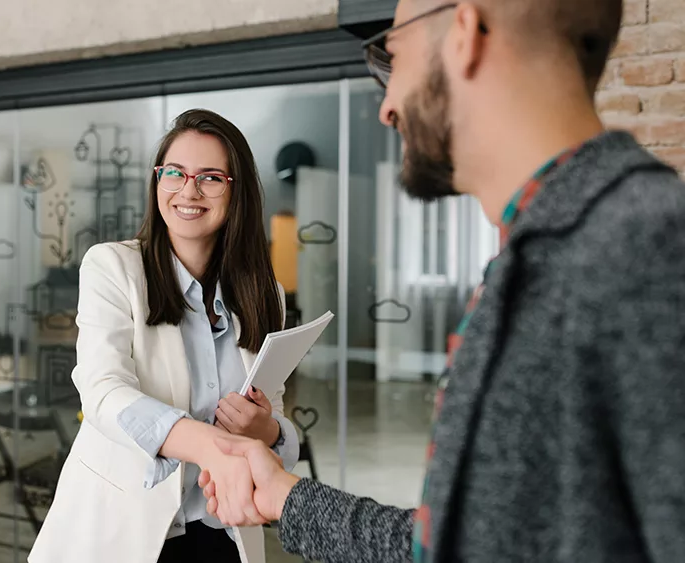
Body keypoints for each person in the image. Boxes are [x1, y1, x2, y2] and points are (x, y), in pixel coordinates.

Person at [199, 0, 685, 562]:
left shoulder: (648, 247)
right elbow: (467, 544)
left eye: (393, 56)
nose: (386, 106)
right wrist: (288, 499)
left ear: (465, 33)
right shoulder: (537, 257)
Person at [28, 108, 300, 563]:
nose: (188, 190)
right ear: (158, 181)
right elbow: (102, 392)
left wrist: (267, 430)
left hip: (224, 533)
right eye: (174, 172)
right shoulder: (112, 267)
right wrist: (215, 444)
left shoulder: (263, 292)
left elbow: (272, 410)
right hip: (122, 533)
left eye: (211, 177)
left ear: (239, 193)